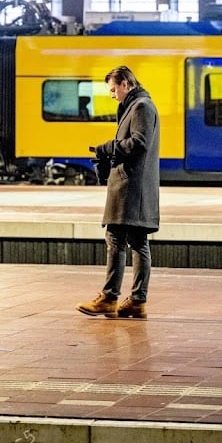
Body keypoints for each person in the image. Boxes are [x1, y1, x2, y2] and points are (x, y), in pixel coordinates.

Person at [77, 65, 160, 320]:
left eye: (113, 89)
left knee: (115, 238)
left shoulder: (141, 106)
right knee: (137, 242)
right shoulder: (137, 105)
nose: (112, 95)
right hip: (134, 186)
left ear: (125, 83)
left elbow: (139, 142)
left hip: (130, 187)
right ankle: (136, 301)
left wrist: (108, 148)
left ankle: (110, 297)